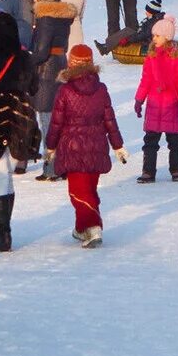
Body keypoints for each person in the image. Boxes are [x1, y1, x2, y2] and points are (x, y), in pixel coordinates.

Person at [44, 44, 125, 247]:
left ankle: (93, 227)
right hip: (97, 145)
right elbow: (110, 120)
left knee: (79, 192)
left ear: (71, 64)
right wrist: (117, 145)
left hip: (72, 147)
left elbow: (56, 122)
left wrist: (50, 146)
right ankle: (82, 229)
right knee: (89, 189)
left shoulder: (65, 90)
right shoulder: (101, 89)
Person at [0, 11, 39, 250]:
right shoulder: (23, 57)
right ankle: (4, 229)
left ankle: (2, 231)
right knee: (8, 172)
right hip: (18, 116)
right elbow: (33, 87)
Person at [29, 0, 85, 179]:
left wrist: (27, 59)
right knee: (57, 120)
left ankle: (52, 169)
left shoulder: (45, 17)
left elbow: (41, 51)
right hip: (60, 62)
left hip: (47, 70)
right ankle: (61, 165)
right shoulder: (64, 15)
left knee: (47, 121)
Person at [132, 16, 178, 183]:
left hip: (173, 105)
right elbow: (146, 80)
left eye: (157, 35)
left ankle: (176, 170)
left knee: (175, 141)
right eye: (153, 35)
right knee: (150, 141)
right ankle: (148, 171)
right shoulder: (151, 56)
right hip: (155, 105)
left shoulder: (177, 58)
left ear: (167, 37)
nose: (154, 38)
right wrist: (139, 99)